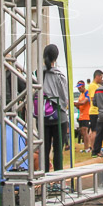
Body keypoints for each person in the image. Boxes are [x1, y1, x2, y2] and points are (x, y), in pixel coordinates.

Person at [41, 44, 68, 172]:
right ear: (56, 58)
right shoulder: (59, 75)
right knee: (58, 150)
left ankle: (44, 180)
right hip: (59, 117)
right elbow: (64, 98)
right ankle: (59, 180)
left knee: (44, 150)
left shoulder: (37, 74)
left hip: (43, 116)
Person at [86, 70, 103, 155]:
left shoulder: (96, 85)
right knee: (95, 131)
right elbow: (93, 98)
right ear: (97, 76)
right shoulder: (93, 86)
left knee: (95, 130)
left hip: (96, 111)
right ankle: (94, 149)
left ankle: (95, 149)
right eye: (101, 77)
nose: (102, 79)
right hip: (94, 111)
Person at [75, 80, 91, 152]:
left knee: (85, 130)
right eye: (78, 88)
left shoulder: (86, 92)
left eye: (80, 87)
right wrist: (76, 105)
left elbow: (84, 102)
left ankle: (87, 147)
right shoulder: (80, 94)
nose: (79, 89)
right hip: (81, 115)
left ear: (83, 86)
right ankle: (85, 147)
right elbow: (79, 105)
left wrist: (76, 103)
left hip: (86, 114)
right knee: (82, 131)